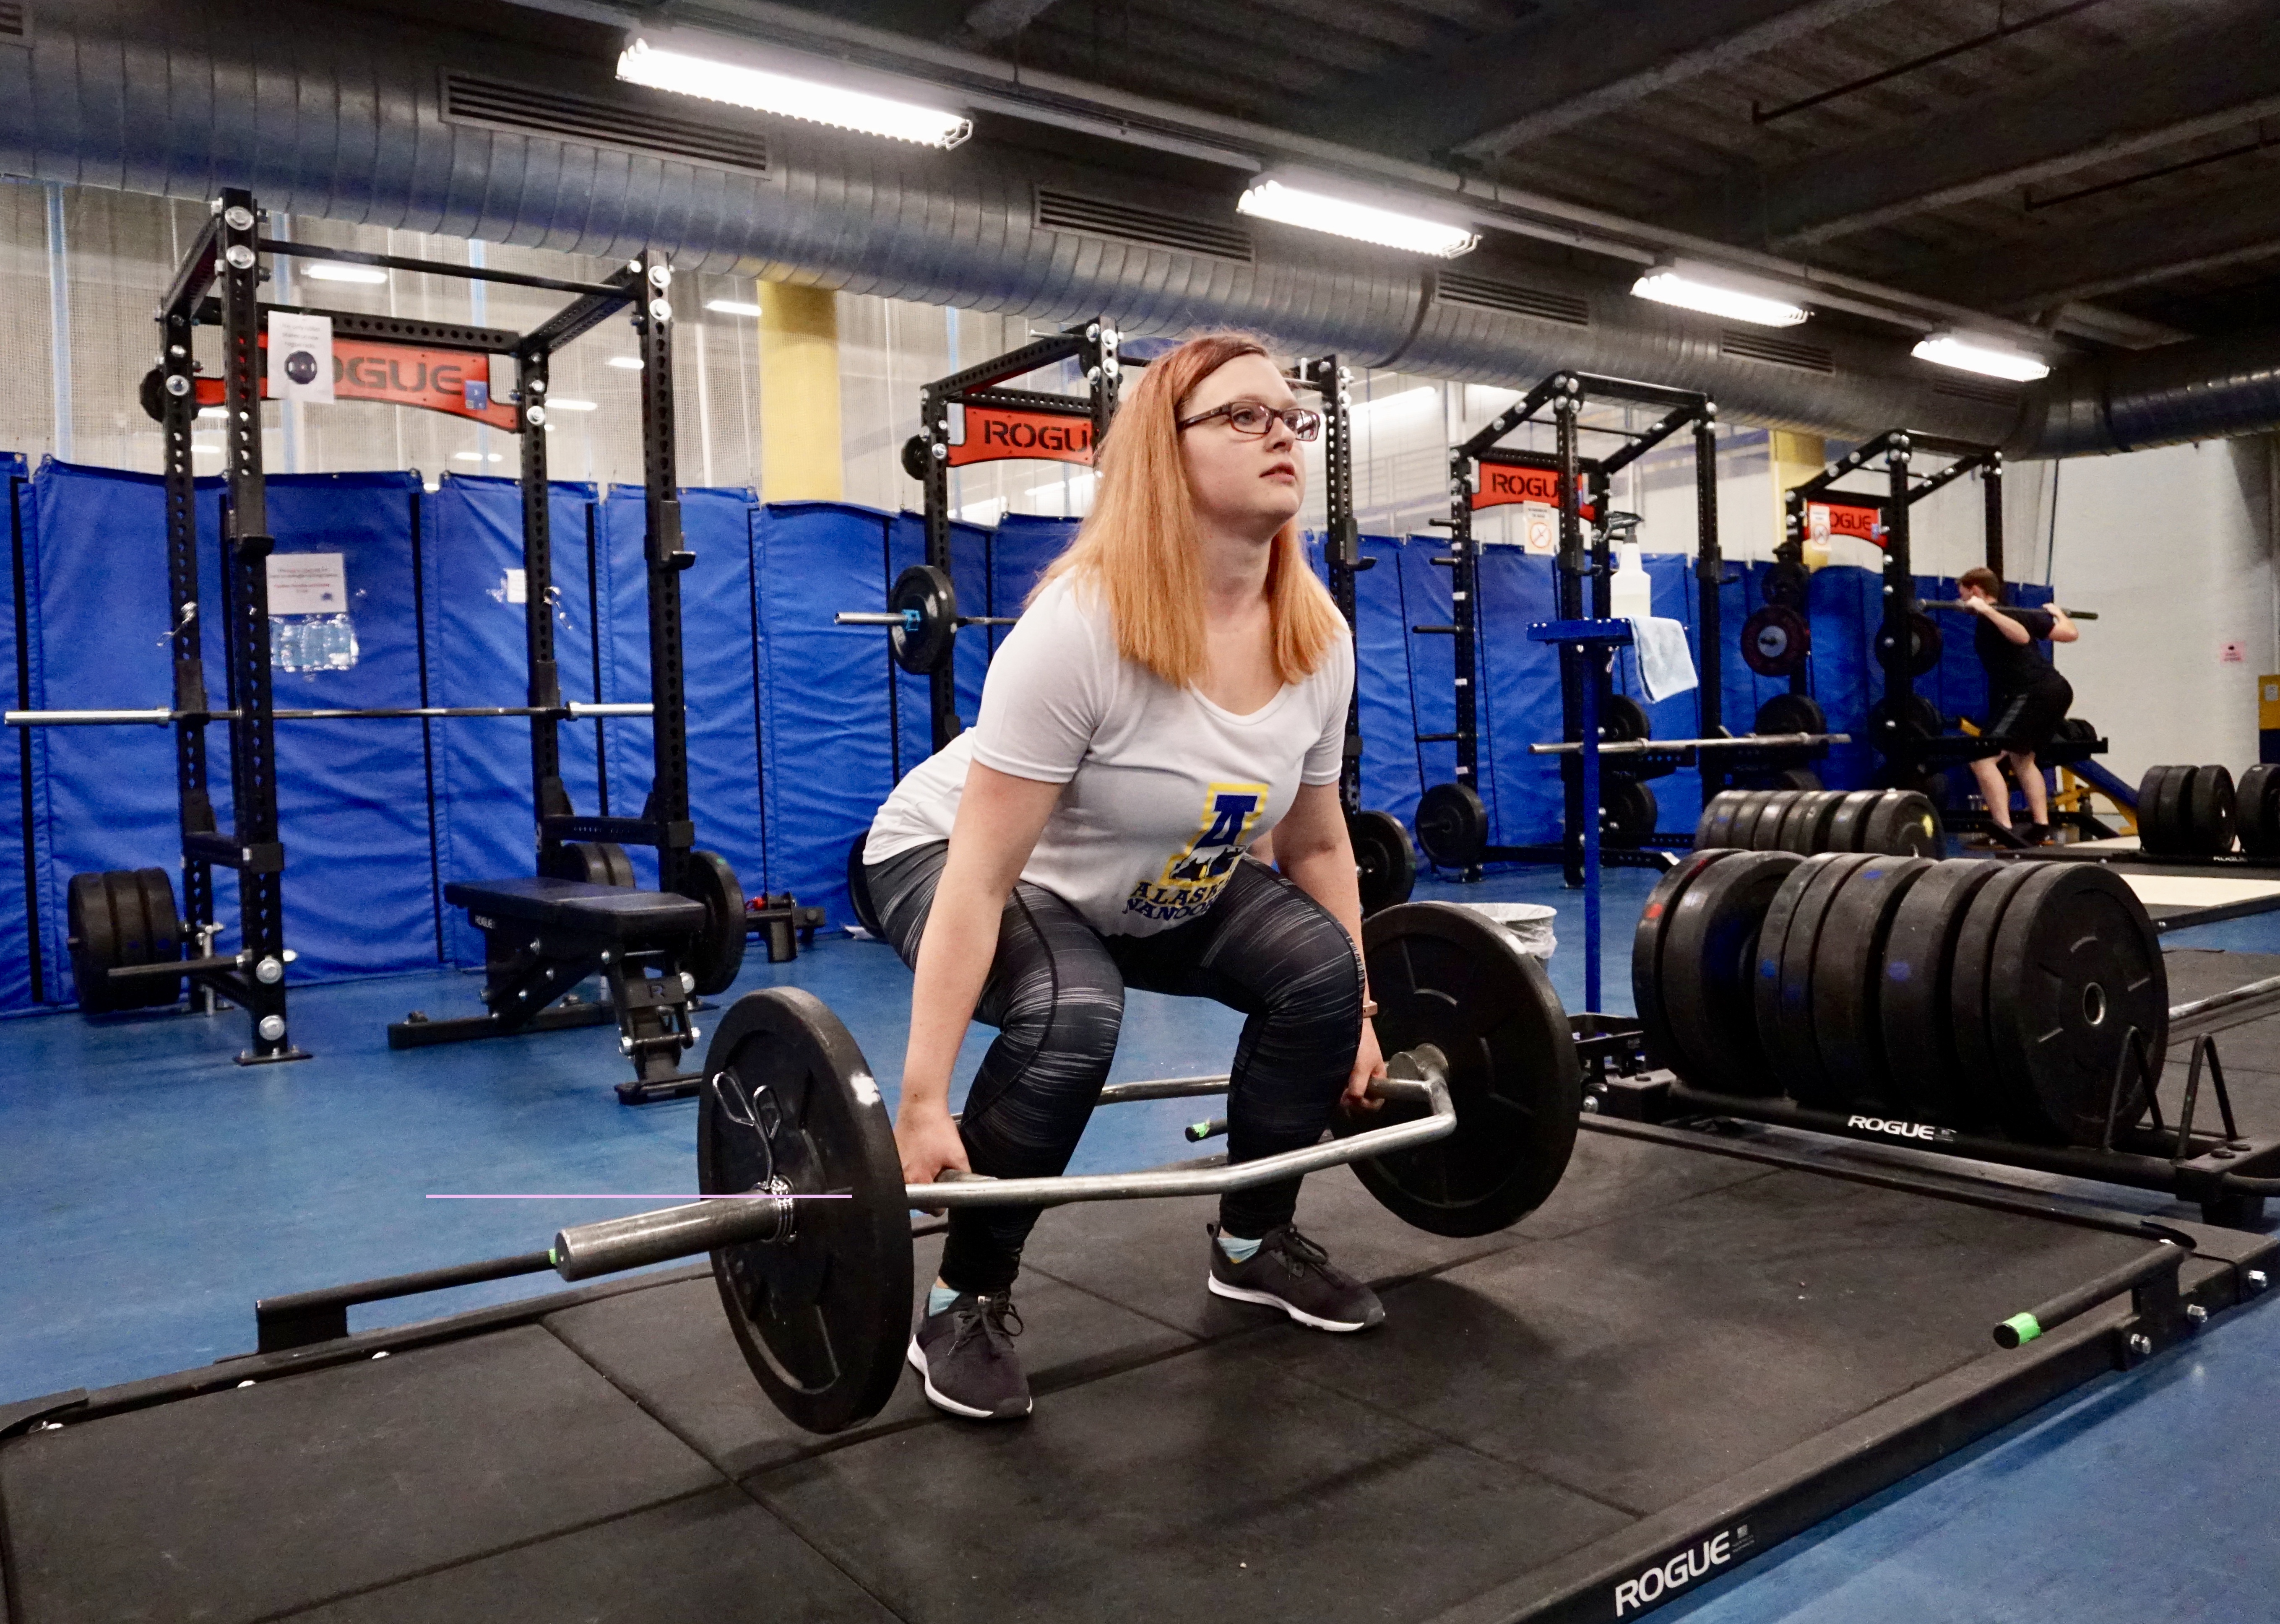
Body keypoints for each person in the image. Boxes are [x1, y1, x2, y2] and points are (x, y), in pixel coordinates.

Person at [859, 333, 1384, 1422]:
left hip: (1154, 876)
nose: (1280, 433)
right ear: (1164, 449)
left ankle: (1249, 1240)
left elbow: (1320, 844)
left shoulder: (1316, 638)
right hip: (947, 853)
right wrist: (918, 1102)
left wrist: (1362, 1017)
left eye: (1292, 418)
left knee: (1320, 977)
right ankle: (963, 1297)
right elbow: (976, 877)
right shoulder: (1082, 627)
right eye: (1243, 416)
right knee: (1072, 1010)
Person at [1956, 566, 2077, 846]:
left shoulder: (1997, 617)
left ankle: (2003, 829)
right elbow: (2070, 633)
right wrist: (2058, 614)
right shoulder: (2020, 613)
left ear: (1976, 591)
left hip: (2034, 692)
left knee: (1983, 759)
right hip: (2054, 690)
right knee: (2023, 759)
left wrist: (1985, 611)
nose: (1961, 601)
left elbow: (2021, 637)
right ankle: (2040, 826)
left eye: (1963, 594)